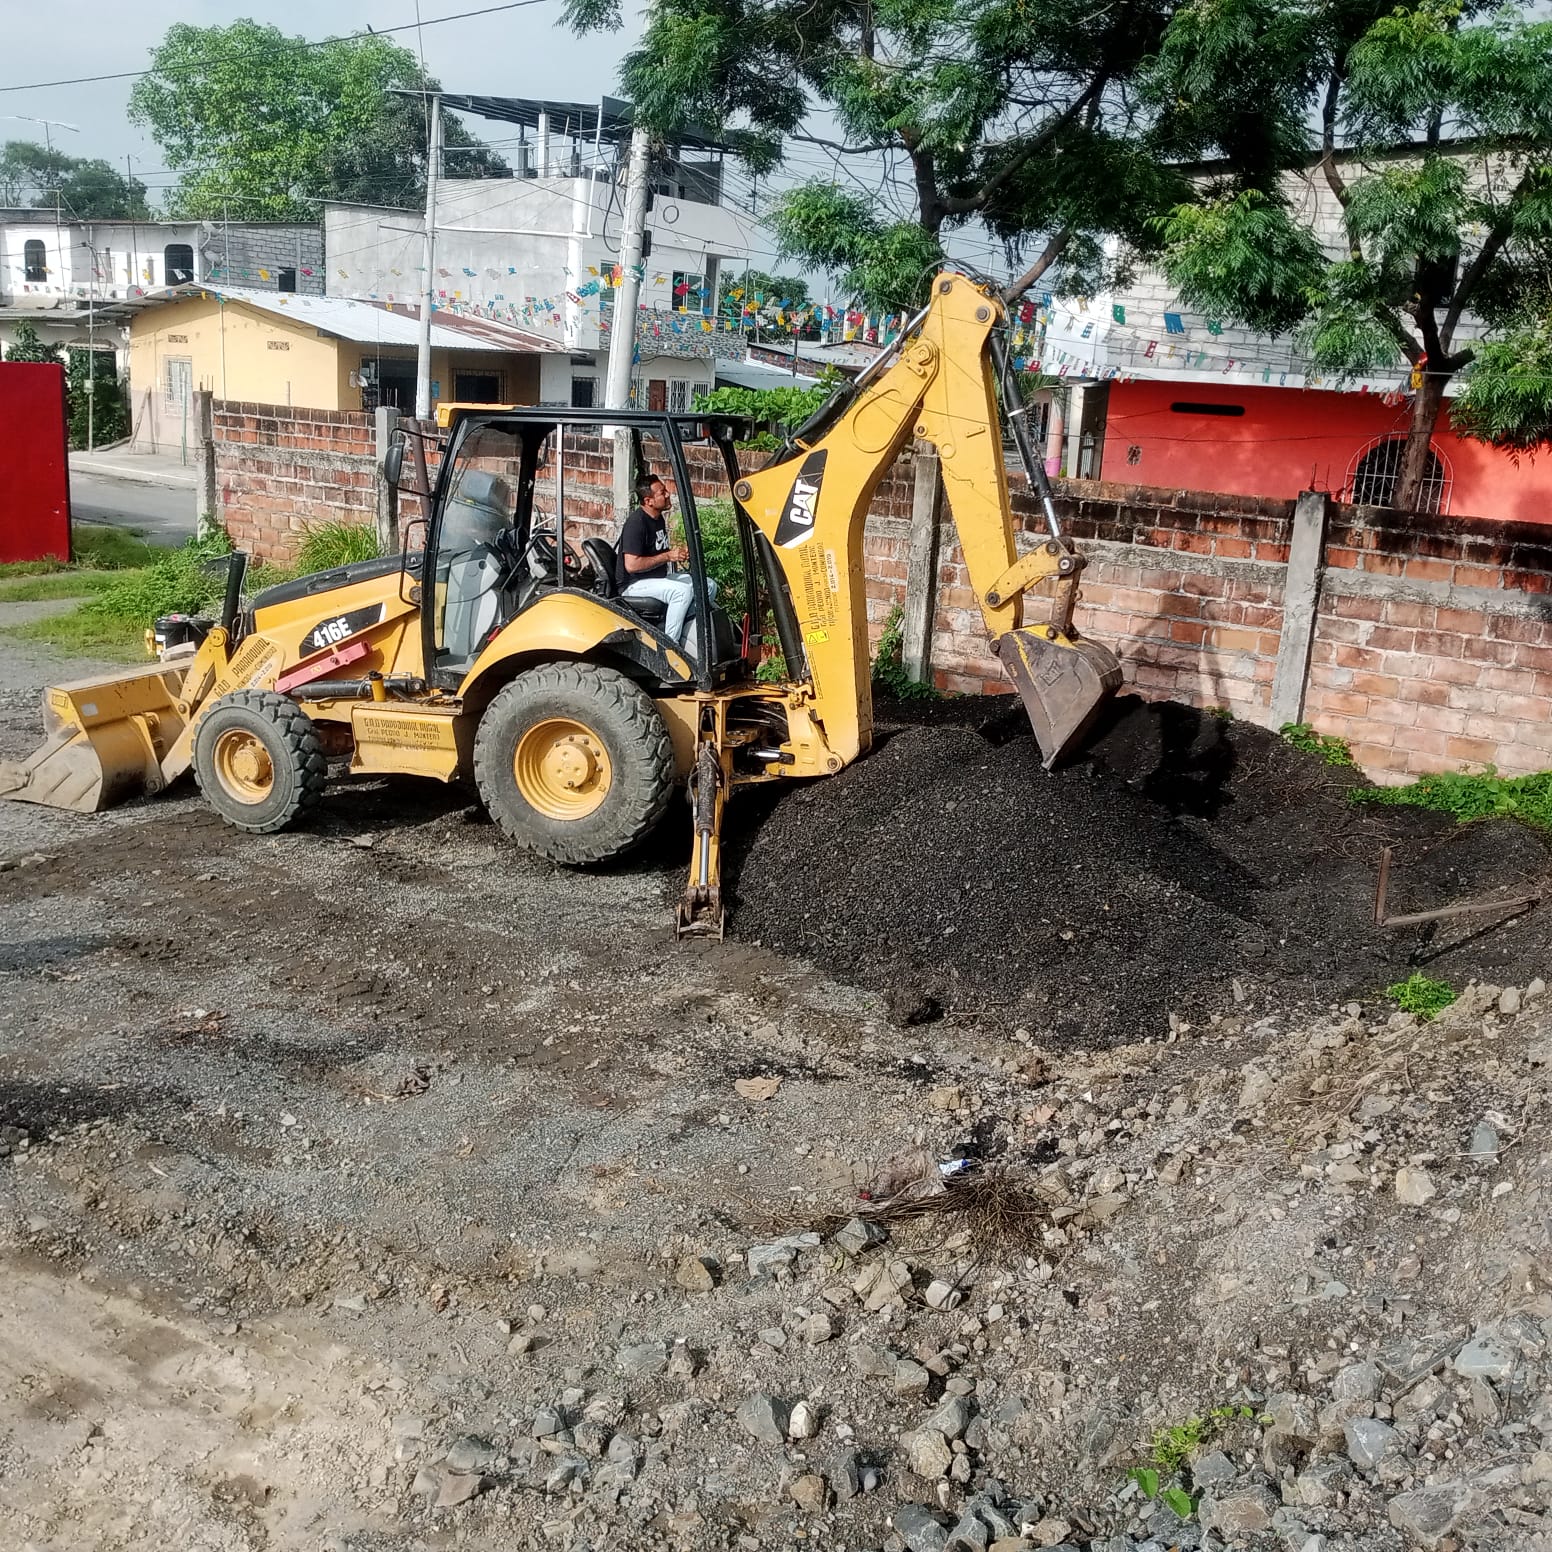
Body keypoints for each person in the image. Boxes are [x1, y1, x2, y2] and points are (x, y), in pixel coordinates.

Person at [615, 474, 717, 646]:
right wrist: (668, 556)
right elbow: (632, 565)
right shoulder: (637, 523)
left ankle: (684, 631)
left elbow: (656, 553)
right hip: (633, 585)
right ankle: (669, 646)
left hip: (656, 578)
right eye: (662, 492)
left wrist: (676, 553)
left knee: (708, 586)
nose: (668, 494)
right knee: (681, 592)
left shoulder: (658, 519)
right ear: (649, 501)